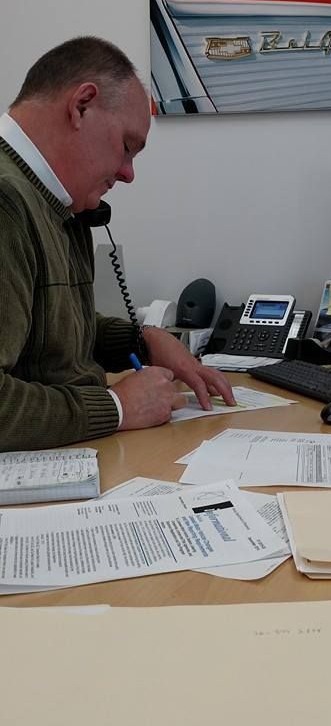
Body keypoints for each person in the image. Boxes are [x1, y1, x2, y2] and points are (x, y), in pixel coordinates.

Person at [0, 36, 235, 451]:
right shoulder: (6, 201)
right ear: (81, 106)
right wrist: (117, 406)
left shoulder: (53, 202)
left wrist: (142, 340)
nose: (128, 174)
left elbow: (49, 333)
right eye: (127, 148)